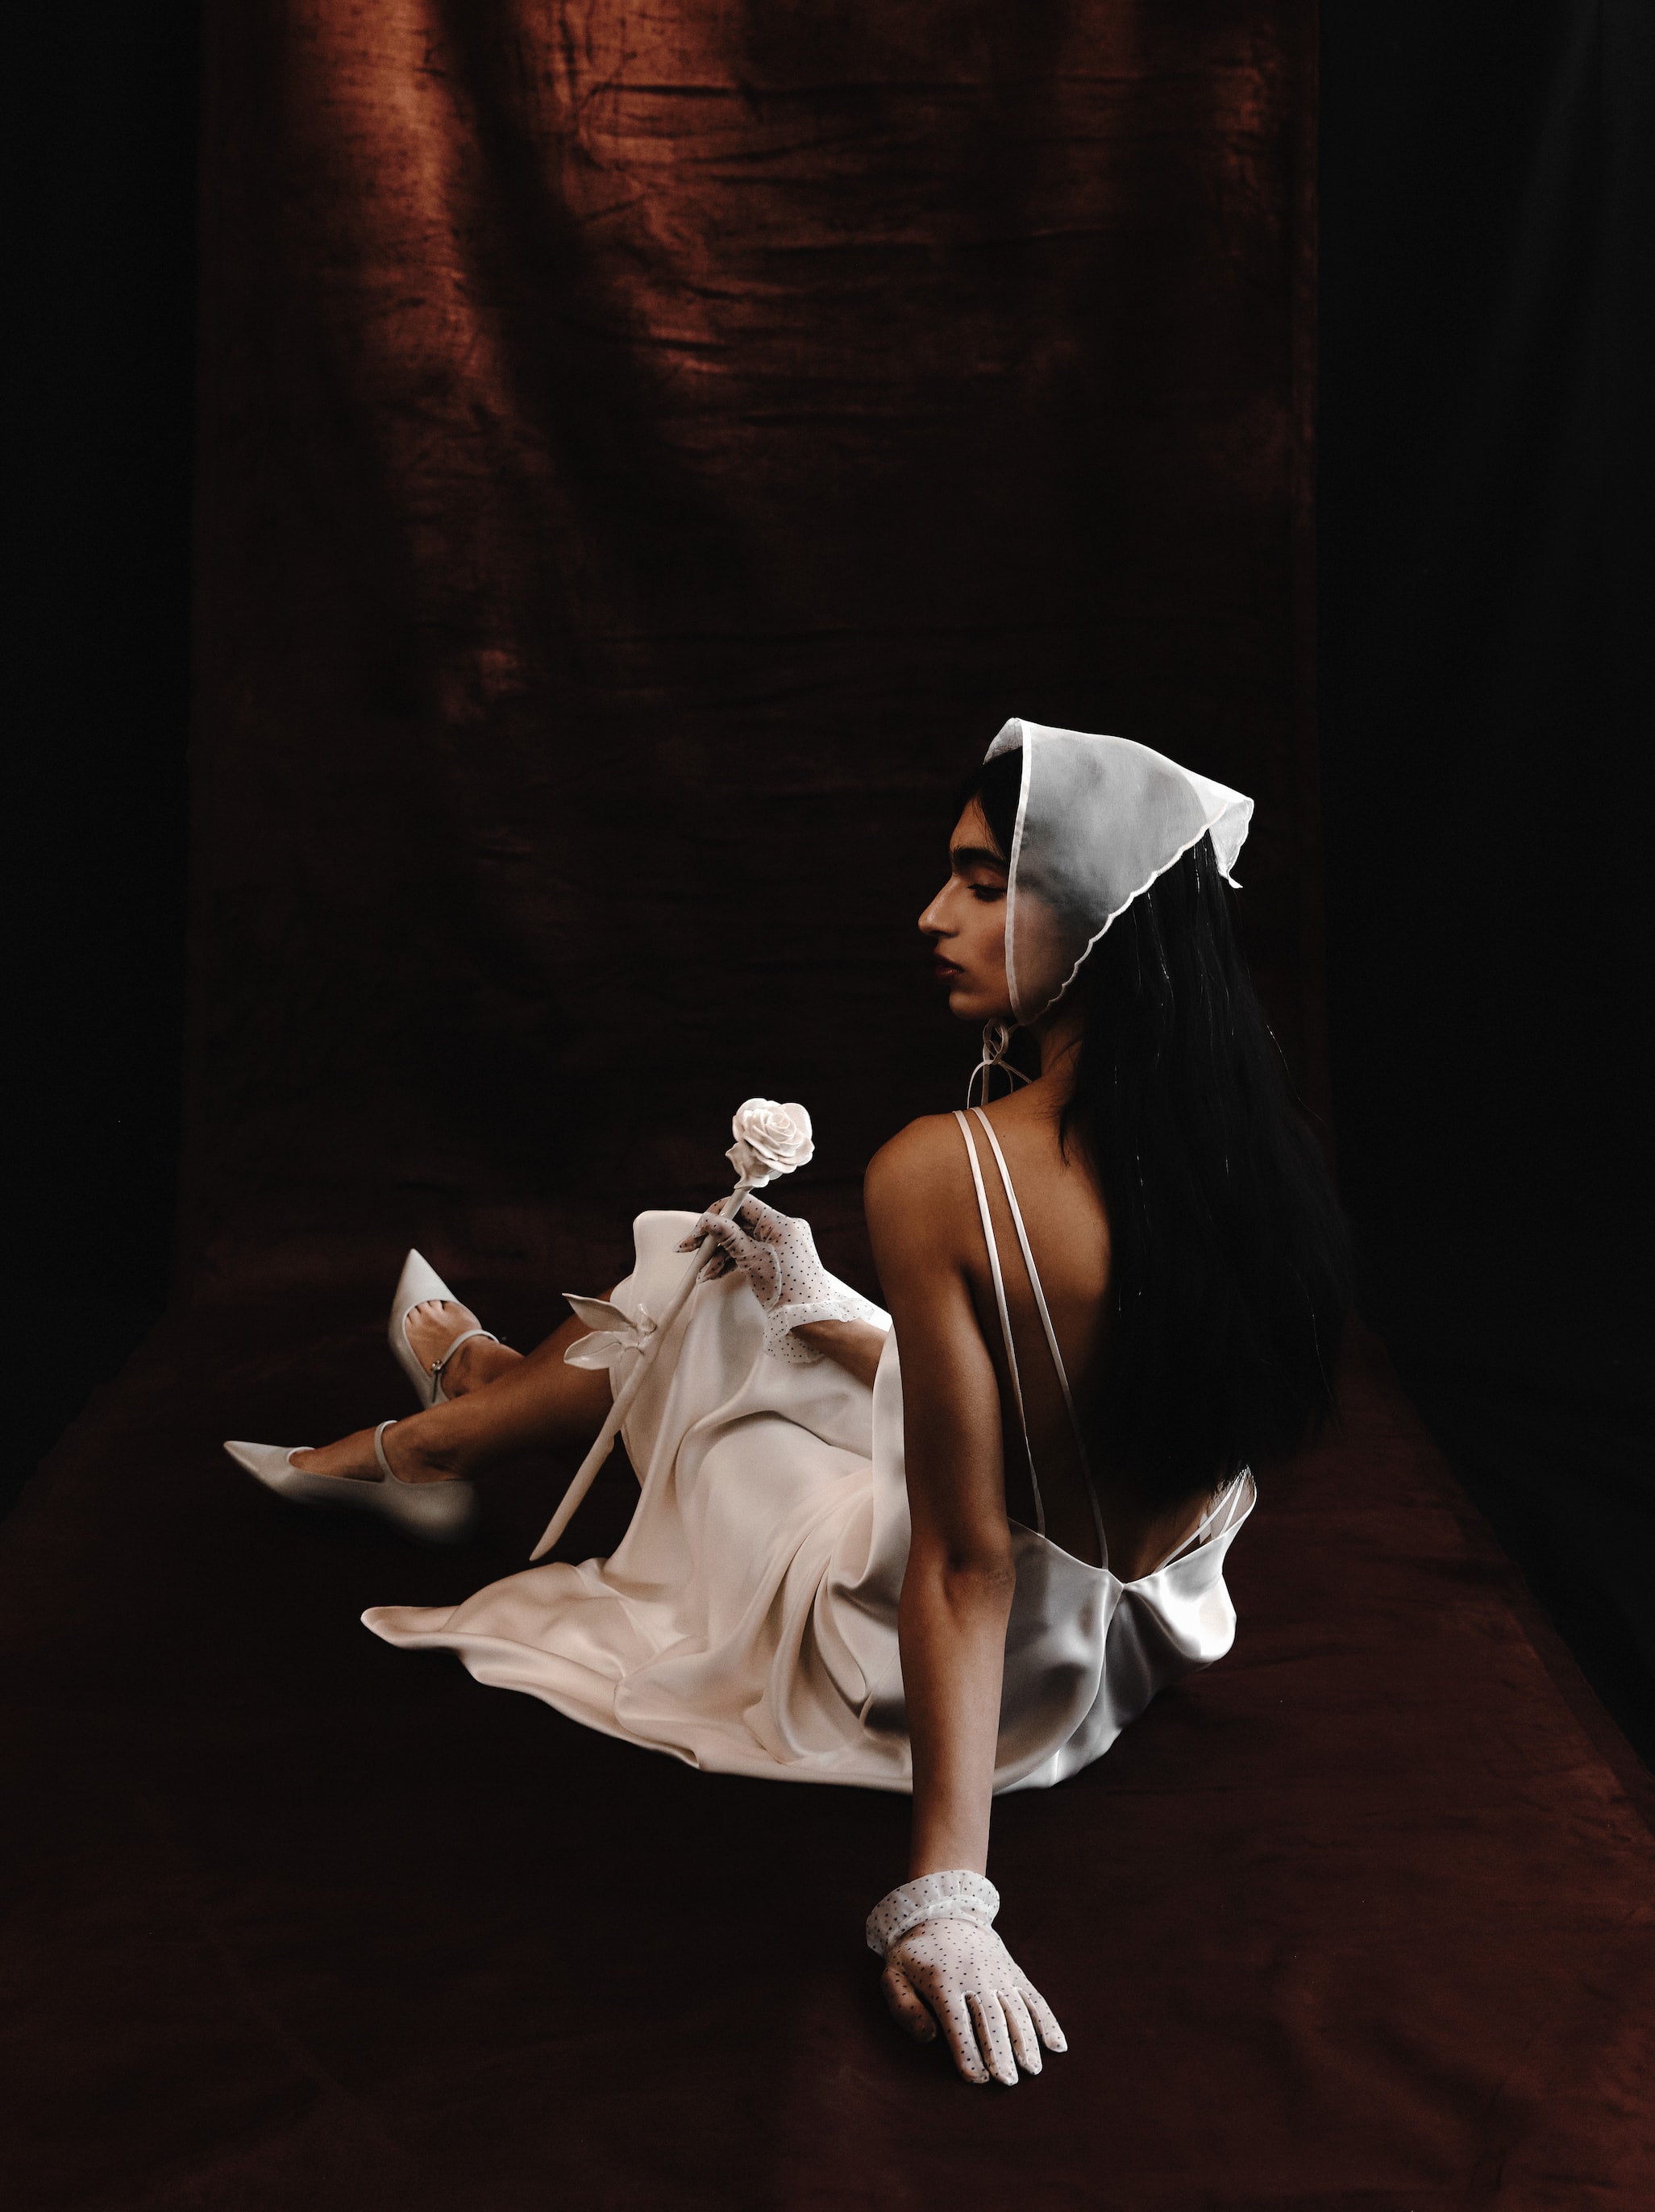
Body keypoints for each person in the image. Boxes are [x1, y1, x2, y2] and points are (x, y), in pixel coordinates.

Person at [226, 717, 1351, 2087]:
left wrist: (952, 1899)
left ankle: (450, 1419)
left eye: (985, 881)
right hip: (1111, 1662)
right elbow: (1070, 1444)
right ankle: (491, 1395)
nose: (931, 915)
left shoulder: (946, 1171)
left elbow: (962, 1555)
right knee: (785, 1295)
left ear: (1103, 910)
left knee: (694, 1273)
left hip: (917, 1676)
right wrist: (824, 1312)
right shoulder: (1250, 1155)